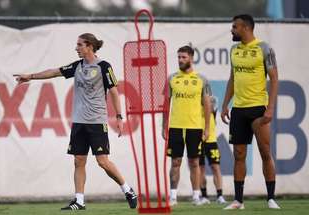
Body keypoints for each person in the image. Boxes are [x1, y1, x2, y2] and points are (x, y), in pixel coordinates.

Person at [13, 33, 137, 210]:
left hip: (96, 122)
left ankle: (128, 190)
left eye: (79, 45)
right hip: (79, 122)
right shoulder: (77, 66)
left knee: (102, 162)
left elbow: (114, 92)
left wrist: (119, 117)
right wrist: (30, 76)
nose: (76, 48)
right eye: (77, 45)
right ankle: (79, 200)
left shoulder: (104, 66)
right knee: (79, 160)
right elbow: (55, 72)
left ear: (90, 46)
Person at [220, 14, 280, 210]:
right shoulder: (234, 50)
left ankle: (271, 198)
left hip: (258, 109)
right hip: (238, 109)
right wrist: (225, 104)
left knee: (264, 152)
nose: (232, 30)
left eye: (235, 27)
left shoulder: (264, 48)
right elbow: (232, 79)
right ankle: (239, 201)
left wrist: (270, 108)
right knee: (239, 154)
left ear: (246, 28)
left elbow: (274, 78)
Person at [162, 45, 211, 206]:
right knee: (175, 162)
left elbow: (207, 105)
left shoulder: (202, 79)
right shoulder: (171, 78)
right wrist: (164, 126)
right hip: (176, 126)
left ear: (191, 57)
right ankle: (173, 197)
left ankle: (196, 196)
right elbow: (166, 104)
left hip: (195, 127)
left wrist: (207, 128)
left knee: (194, 162)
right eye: (178, 57)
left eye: (183, 57)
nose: (180, 60)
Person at [199, 96, 227, 205]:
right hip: (198, 140)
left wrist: (207, 100)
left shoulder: (211, 104)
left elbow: (213, 103)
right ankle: (204, 196)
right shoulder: (195, 105)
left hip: (211, 140)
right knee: (200, 169)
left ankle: (220, 195)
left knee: (216, 167)